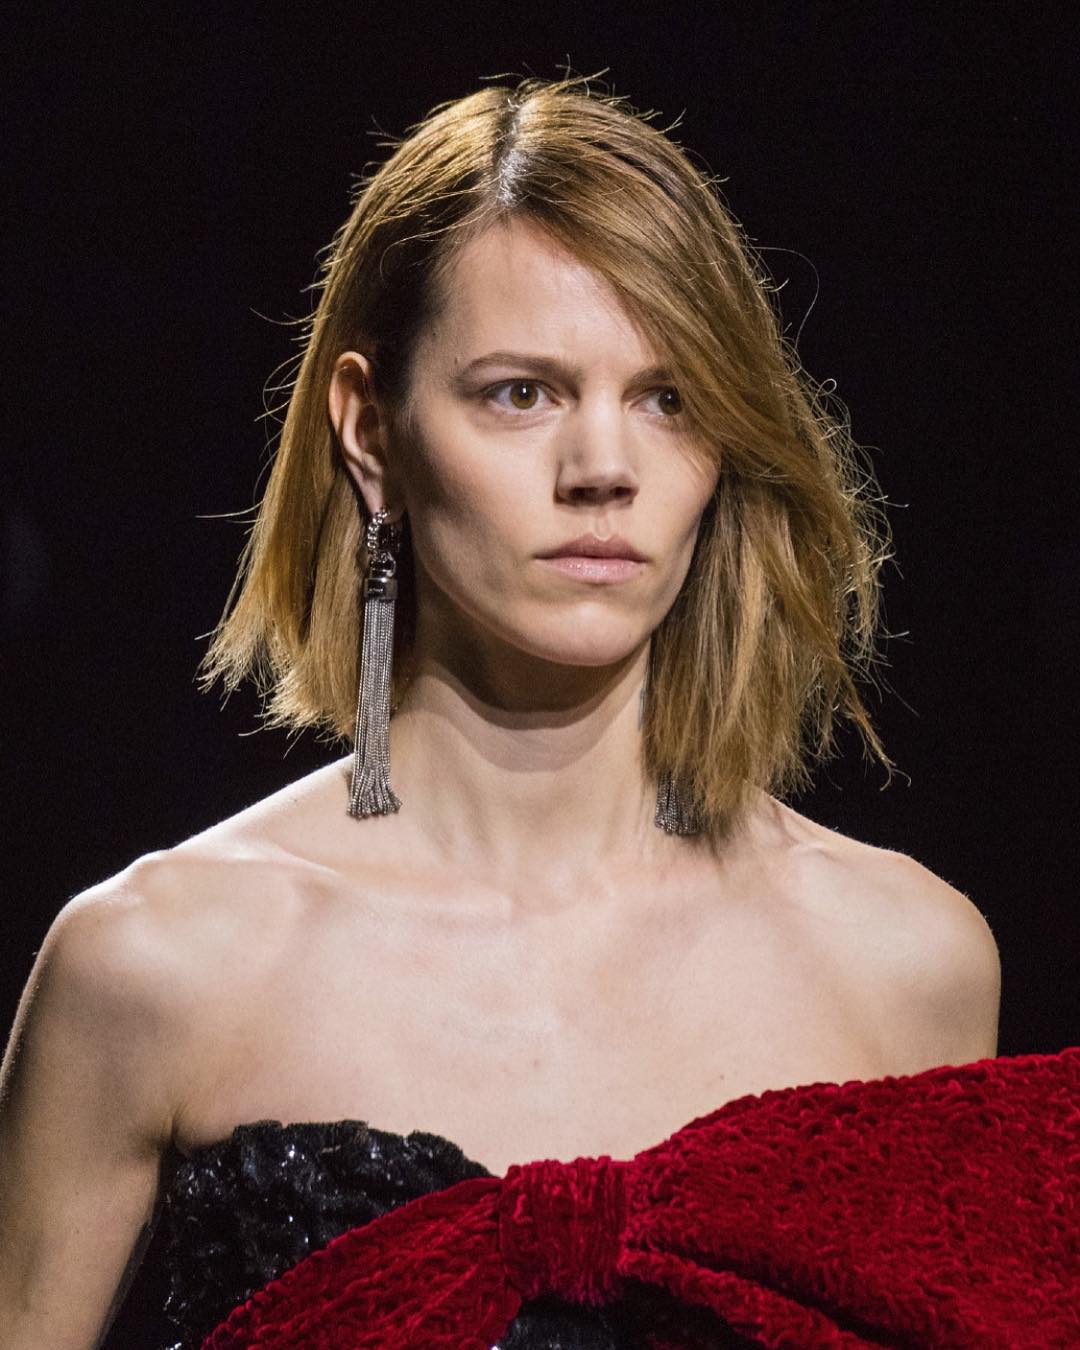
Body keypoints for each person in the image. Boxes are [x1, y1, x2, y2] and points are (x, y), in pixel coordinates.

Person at [0, 73, 1023, 1348]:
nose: (603, 468)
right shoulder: (157, 972)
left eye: (669, 397)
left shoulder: (907, 970)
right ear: (371, 432)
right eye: (520, 393)